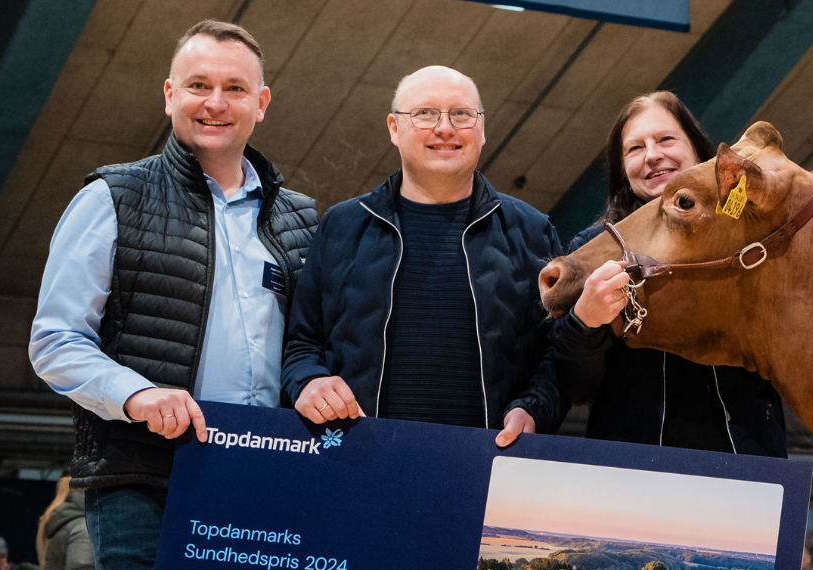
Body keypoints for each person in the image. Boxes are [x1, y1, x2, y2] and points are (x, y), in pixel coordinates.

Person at [25, 20, 320, 570]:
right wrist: (136, 393)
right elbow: (54, 339)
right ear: (168, 95)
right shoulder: (112, 196)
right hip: (144, 476)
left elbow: (316, 345)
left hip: (268, 482)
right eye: (198, 86)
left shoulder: (304, 218)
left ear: (263, 102)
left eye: (233, 88)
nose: (214, 102)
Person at [282, 65, 563, 446]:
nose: (444, 128)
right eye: (425, 114)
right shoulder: (342, 225)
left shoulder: (533, 232)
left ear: (482, 129)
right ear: (394, 128)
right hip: (357, 456)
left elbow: (556, 352)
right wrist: (308, 381)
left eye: (461, 114)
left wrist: (534, 406)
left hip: (486, 463)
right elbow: (300, 343)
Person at [553, 91, 787, 456]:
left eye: (665, 139)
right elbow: (572, 386)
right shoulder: (590, 252)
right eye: (634, 149)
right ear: (622, 168)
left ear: (697, 149)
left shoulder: (754, 237)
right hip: (631, 465)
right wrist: (584, 324)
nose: (652, 155)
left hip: (748, 462)